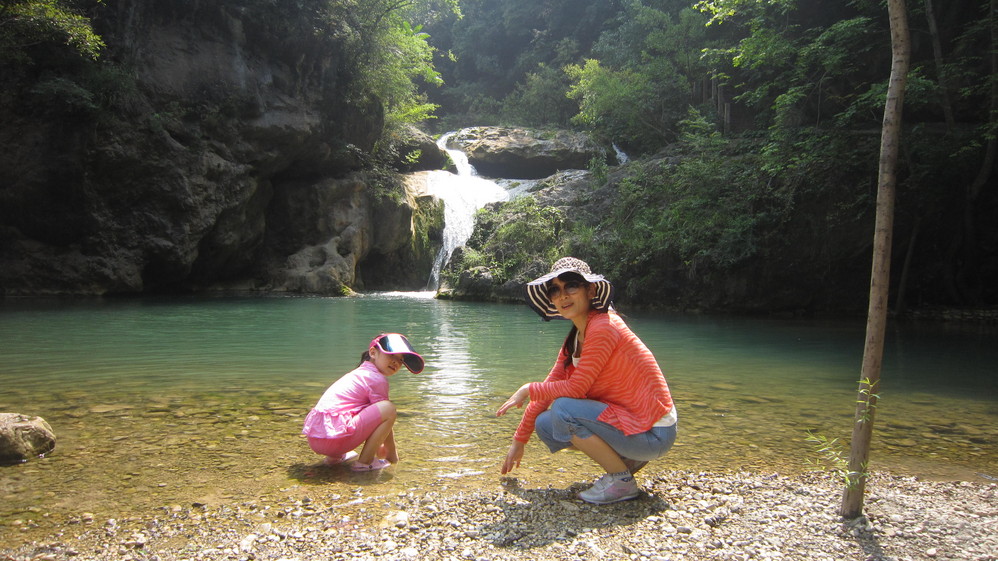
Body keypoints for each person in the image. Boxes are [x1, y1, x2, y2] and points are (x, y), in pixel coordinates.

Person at [496, 257, 678, 504]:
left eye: (571, 285)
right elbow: (550, 387)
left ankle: (622, 482)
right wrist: (519, 440)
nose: (563, 295)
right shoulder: (575, 338)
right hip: (633, 425)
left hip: (654, 432)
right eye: (554, 290)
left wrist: (528, 389)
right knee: (546, 424)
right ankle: (625, 461)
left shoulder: (604, 326)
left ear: (590, 290)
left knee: (563, 409)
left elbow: (576, 388)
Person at [302, 333, 425, 472]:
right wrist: (392, 456)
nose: (396, 362)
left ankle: (334, 458)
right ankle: (364, 463)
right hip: (334, 441)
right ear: (373, 353)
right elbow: (386, 417)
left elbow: (374, 419)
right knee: (389, 408)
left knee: (355, 408)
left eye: (400, 360)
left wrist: (379, 445)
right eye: (391, 355)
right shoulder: (376, 379)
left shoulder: (359, 373)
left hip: (316, 438)